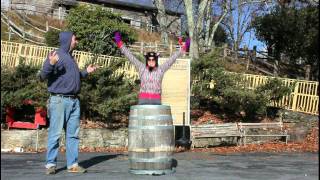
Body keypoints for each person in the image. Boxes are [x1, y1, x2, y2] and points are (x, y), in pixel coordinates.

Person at [40, 31, 97, 175]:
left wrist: (86, 72)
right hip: (59, 100)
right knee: (55, 133)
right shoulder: (56, 55)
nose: (76, 41)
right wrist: (51, 64)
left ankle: (72, 165)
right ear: (67, 40)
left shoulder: (70, 58)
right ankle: (50, 165)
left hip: (73, 101)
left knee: (73, 135)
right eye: (74, 39)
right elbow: (43, 75)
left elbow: (73, 77)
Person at [114, 32, 190, 105]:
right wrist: (119, 43)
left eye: (153, 59)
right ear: (147, 60)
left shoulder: (161, 69)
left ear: (156, 60)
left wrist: (184, 47)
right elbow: (130, 56)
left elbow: (173, 58)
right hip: (143, 100)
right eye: (149, 59)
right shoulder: (141, 68)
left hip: (156, 100)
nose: (151, 61)